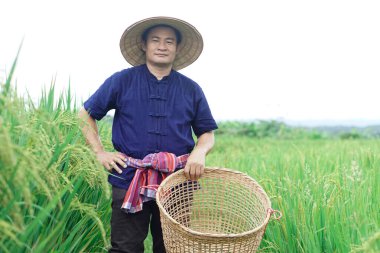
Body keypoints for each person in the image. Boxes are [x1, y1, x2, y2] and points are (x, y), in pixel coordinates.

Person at [78, 16, 218, 253]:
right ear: (144, 45)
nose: (162, 46)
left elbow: (206, 133)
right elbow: (85, 115)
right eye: (155, 40)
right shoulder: (121, 81)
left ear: (177, 48)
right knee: (125, 248)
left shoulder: (191, 89)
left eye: (169, 41)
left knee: (174, 248)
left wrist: (199, 152)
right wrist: (100, 152)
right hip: (129, 175)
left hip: (178, 180)